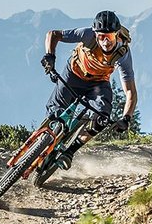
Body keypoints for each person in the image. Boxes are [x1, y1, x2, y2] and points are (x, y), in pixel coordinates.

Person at [40, 10, 138, 169]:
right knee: (54, 112)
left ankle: (70, 152)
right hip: (73, 74)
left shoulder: (123, 53)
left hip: (98, 84)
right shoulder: (86, 35)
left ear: (117, 35)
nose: (106, 42)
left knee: (102, 117)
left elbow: (130, 92)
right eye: (101, 37)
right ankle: (41, 142)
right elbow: (53, 34)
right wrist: (50, 56)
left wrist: (126, 118)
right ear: (95, 34)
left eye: (110, 37)